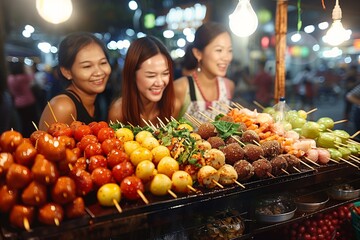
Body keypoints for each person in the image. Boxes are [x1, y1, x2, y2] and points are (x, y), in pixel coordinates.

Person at [38, 32, 111, 130]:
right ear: (67, 72)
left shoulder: (98, 100)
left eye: (103, 63)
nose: (99, 72)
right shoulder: (62, 106)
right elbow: (45, 144)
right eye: (87, 66)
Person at [108, 36, 179, 127]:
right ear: (133, 75)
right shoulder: (118, 113)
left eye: (165, 74)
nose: (160, 83)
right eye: (151, 75)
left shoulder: (172, 107)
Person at [174, 22, 235, 122]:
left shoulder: (229, 86)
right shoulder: (180, 88)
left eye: (230, 50)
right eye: (219, 50)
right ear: (198, 53)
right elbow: (165, 132)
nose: (226, 58)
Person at [7, 60, 39, 137]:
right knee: (32, 122)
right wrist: (28, 69)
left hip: (17, 103)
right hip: (29, 102)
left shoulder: (10, 78)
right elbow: (33, 77)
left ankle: (25, 138)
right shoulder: (24, 78)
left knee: (23, 122)